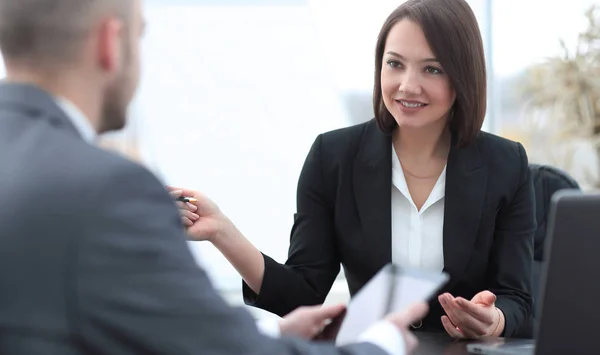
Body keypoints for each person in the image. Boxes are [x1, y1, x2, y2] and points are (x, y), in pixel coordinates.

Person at [0, 0, 428, 354]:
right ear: (111, 44)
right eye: (141, 34)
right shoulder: (106, 190)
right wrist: (382, 343)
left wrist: (271, 336)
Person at [173, 0, 535, 340]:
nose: (407, 85)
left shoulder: (506, 164)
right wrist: (222, 232)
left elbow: (516, 298)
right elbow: (302, 295)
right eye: (395, 64)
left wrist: (494, 320)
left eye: (432, 68)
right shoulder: (333, 158)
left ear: (462, 77)